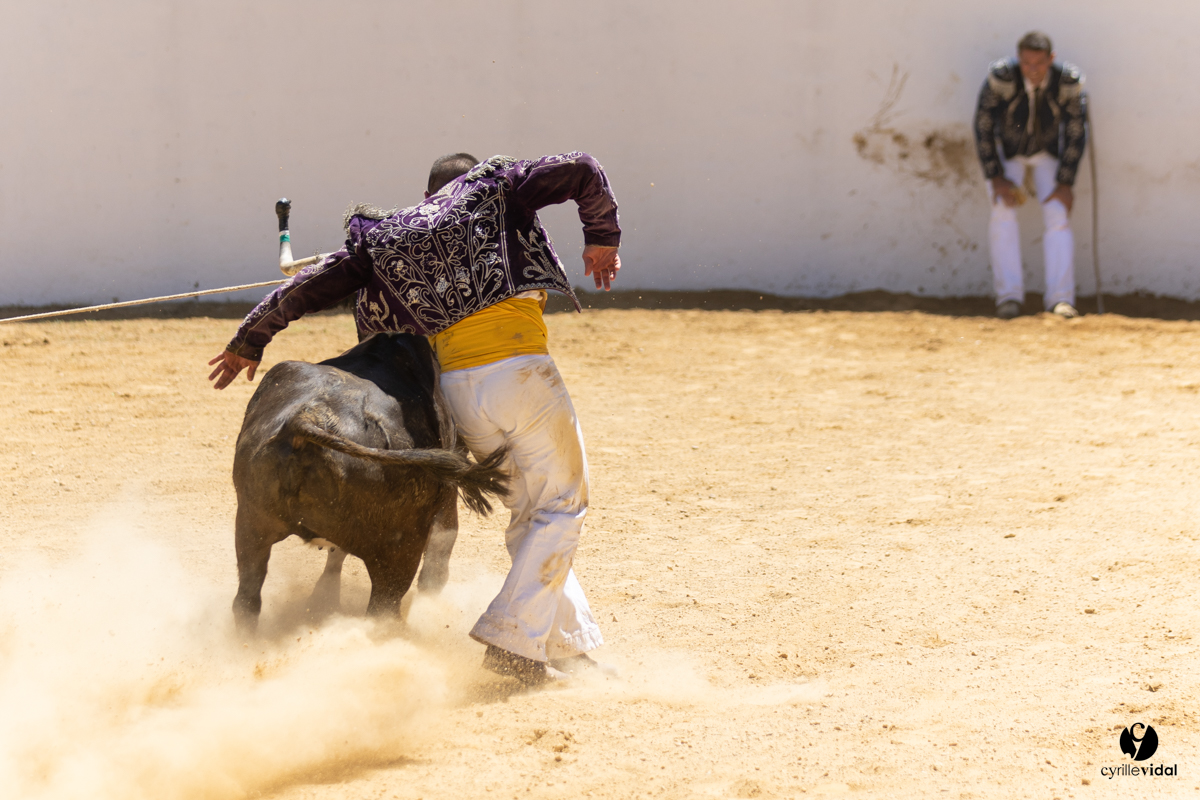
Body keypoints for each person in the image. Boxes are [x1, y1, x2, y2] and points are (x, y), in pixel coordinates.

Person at [208, 151, 622, 686]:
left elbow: (312, 284)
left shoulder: (392, 234)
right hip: (521, 375)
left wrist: (250, 338)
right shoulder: (497, 187)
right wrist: (602, 237)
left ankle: (566, 646)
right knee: (561, 507)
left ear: (427, 198)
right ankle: (513, 642)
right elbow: (582, 167)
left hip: (459, 394)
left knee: (532, 513)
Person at [973, 31, 1087, 320]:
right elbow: (983, 126)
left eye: (1039, 63)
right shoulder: (1001, 78)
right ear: (1018, 59)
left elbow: (1076, 132)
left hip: (1047, 155)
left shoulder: (1068, 83)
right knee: (1002, 211)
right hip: (1009, 155)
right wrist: (996, 177)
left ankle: (1061, 300)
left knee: (1058, 214)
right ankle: (1008, 297)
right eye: (1026, 63)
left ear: (1051, 59)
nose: (1033, 70)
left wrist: (1065, 183)